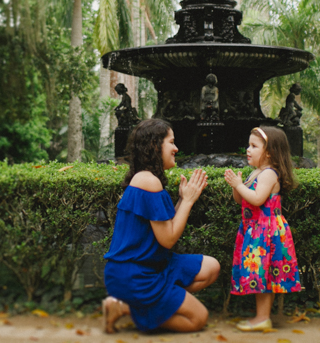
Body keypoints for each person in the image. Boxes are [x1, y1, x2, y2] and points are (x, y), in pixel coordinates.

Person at [102, 119, 221, 333]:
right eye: (171, 142)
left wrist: (182, 200)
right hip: (135, 275)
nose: (176, 148)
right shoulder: (148, 182)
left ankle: (155, 303)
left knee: (211, 268)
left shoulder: (146, 179)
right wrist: (188, 201)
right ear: (156, 146)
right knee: (198, 318)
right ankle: (126, 307)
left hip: (153, 266)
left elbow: (164, 227)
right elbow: (168, 239)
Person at [223, 126, 302, 331]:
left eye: (253, 146)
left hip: (266, 231)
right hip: (256, 230)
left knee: (265, 275)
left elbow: (257, 200)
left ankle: (262, 317)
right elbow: (241, 199)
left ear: (269, 152)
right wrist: (237, 186)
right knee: (259, 274)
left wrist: (239, 185)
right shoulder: (257, 172)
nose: (248, 150)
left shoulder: (268, 174)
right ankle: (262, 317)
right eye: (248, 145)